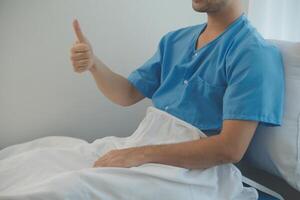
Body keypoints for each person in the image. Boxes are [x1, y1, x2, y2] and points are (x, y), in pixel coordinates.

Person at [70, 0, 285, 169]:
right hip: (142, 147)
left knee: (70, 189)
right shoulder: (174, 41)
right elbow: (127, 94)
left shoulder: (253, 54)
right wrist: (94, 64)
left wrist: (139, 155)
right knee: (45, 156)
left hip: (193, 170)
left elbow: (230, 149)